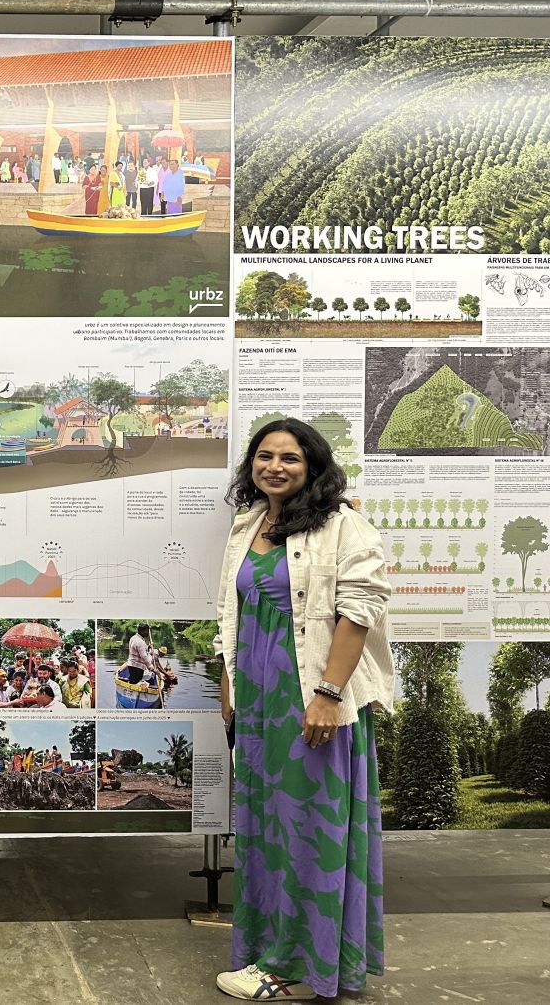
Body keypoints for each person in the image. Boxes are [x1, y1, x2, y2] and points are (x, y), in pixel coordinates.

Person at [214, 418, 393, 1002]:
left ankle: (293, 964)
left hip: (311, 697)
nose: (275, 467)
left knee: (308, 828)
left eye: (289, 458)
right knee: (265, 826)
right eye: (264, 456)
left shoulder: (344, 526)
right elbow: (231, 609)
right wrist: (227, 678)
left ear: (312, 465)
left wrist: (329, 694)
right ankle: (269, 949)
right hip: (259, 699)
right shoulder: (248, 524)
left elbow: (358, 612)